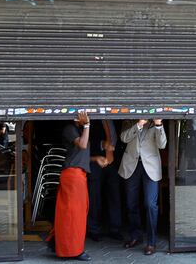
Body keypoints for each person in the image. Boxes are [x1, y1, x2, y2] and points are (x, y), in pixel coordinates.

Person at [50, 112, 107, 261]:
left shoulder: (80, 131)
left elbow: (80, 155)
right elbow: (82, 146)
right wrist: (87, 125)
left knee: (76, 213)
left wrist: (95, 159)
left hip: (78, 175)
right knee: (73, 215)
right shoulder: (69, 129)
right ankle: (73, 251)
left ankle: (61, 244)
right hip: (72, 176)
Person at [119, 119, 167, 256]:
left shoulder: (156, 120)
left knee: (150, 204)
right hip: (131, 165)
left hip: (150, 167)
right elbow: (123, 138)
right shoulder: (129, 118)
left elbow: (162, 144)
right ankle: (136, 236)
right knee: (131, 203)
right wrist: (139, 124)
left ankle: (151, 242)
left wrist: (158, 125)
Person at [87, 120, 123, 242]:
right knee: (94, 196)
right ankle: (93, 229)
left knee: (115, 195)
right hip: (96, 160)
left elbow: (119, 138)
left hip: (113, 161)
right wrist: (102, 144)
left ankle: (115, 229)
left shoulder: (116, 117)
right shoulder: (92, 117)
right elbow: (85, 141)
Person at [178, 119, 196, 184]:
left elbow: (192, 122)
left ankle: (182, 176)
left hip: (193, 133)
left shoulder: (193, 118)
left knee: (185, 157)